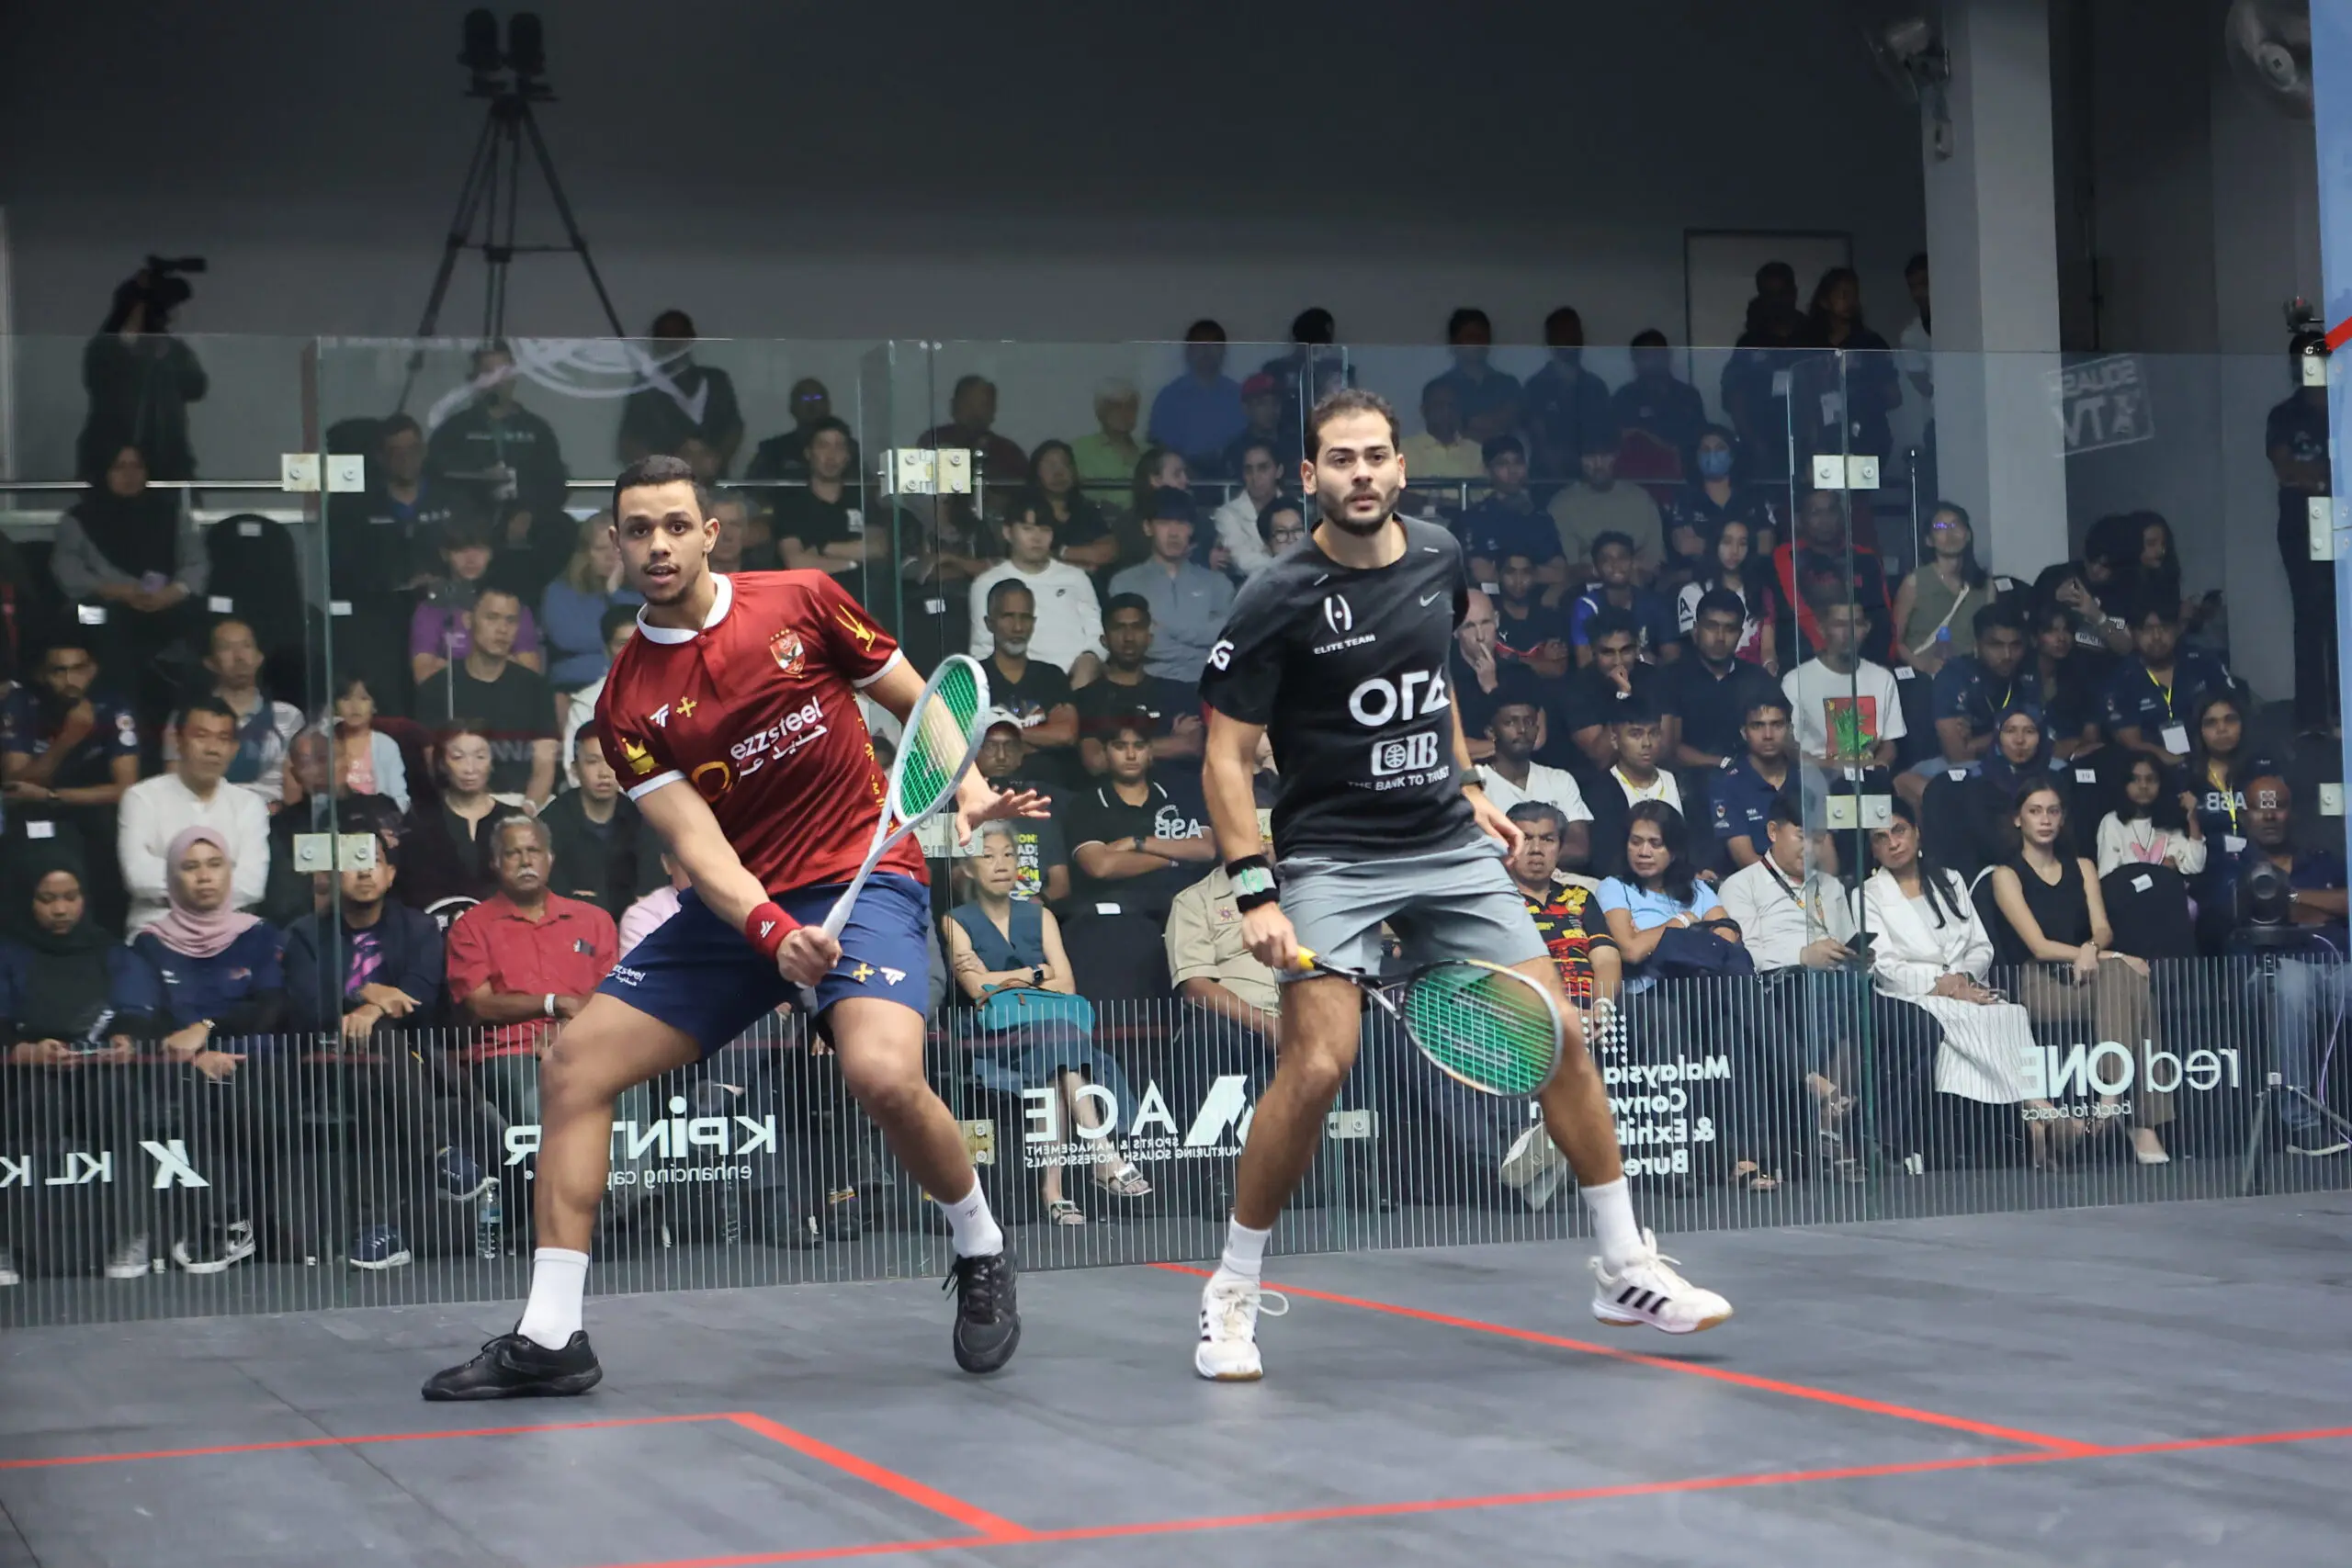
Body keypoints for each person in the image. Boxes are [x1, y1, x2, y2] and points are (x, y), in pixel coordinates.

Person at [423, 455, 1041, 1399]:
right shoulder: (625, 701)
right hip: (737, 909)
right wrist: (768, 928)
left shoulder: (804, 599)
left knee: (881, 1074)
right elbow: (696, 845)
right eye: (639, 529)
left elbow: (923, 703)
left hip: (862, 878)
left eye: (677, 525)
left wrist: (971, 786)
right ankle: (551, 1335)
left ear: (710, 534)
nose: (658, 544)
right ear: (615, 544)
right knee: (574, 1066)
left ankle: (980, 1244)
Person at [1193, 388, 1729, 1382]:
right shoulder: (1276, 596)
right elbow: (1225, 758)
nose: (1361, 474)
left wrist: (1468, 778)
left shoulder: (1439, 554)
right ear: (1309, 476)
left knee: (1559, 1033)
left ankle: (1625, 1267)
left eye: (1376, 456)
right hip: (1332, 856)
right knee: (1318, 1067)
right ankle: (1231, 1287)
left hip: (1444, 841)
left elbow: (1430, 674)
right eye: (1340, 459)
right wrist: (1254, 891)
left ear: (1401, 468)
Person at [280, 832, 487, 1272]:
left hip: (406, 1061)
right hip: (322, 1062)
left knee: (371, 1066)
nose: (362, 871)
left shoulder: (418, 928)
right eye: (352, 861)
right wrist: (363, 995)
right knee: (368, 1057)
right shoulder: (305, 934)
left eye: (372, 860)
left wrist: (371, 1009)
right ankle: (437, 1153)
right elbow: (306, 1004)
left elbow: (422, 995)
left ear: (390, 874)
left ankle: (378, 1230)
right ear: (334, 875)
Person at [944, 826, 1150, 1226]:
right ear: (967, 868)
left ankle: (1054, 1192)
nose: (1001, 865)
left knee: (1056, 1064)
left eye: (1009, 855)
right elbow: (975, 989)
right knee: (1062, 1051)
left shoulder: (1042, 916)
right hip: (997, 1035)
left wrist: (1002, 980)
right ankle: (1102, 1157)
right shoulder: (956, 921)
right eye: (988, 856)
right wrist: (1036, 972)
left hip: (1049, 1034)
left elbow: (1067, 983)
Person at [1860, 801, 2064, 1167]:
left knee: (2010, 1014)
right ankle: (2036, 1106)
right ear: (1873, 849)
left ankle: (2034, 1117)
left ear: (1917, 832)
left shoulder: (1950, 879)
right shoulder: (1868, 894)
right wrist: (1945, 986)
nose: (1893, 842)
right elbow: (1884, 964)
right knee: (1962, 1018)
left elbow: (1981, 946)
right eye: (1881, 837)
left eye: (1899, 831)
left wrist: (1965, 980)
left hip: (1967, 986)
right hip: (1913, 992)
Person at [0, 842, 166, 1282]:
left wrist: (125, 1042)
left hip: (101, 1070)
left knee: (118, 1101)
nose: (60, 909)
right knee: (34, 1104)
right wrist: (25, 1052)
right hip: (24, 1073)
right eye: (47, 899)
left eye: (70, 897)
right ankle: (6, 1244)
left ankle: (131, 1233)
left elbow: (137, 1013)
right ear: (27, 899)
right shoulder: (9, 954)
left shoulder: (110, 951)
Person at [1987, 779, 2172, 1164]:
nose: (2045, 819)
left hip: (2090, 975)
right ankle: (2139, 1121)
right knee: (2128, 979)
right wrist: (2107, 956)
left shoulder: (2083, 866)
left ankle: (2110, 1101)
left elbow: (2102, 929)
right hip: (2040, 980)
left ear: (2062, 818)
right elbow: (2039, 946)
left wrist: (2094, 951)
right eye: (2035, 811)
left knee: (2124, 982)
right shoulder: (2006, 874)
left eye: (2053, 811)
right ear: (2018, 819)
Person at [130, 825, 288, 1272]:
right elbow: (149, 1020)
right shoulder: (149, 943)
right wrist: (197, 1056)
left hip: (252, 1060)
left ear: (229, 873)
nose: (204, 877)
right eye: (191, 867)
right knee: (193, 1092)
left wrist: (207, 1029)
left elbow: (272, 1007)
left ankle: (243, 1223)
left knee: (249, 1093)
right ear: (171, 877)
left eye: (214, 865)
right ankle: (218, 1222)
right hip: (181, 1066)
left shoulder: (259, 934)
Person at [1718, 794, 1866, 1172]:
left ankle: (1865, 1134)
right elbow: (1743, 956)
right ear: (1773, 831)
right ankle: (1827, 1127)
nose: (1811, 846)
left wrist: (1857, 957)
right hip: (1778, 987)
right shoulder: (1742, 885)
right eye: (1802, 835)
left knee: (1903, 1021)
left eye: (1818, 837)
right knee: (1826, 999)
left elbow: (1846, 941)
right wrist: (1801, 955)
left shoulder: (1830, 887)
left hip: (1837, 984)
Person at [444, 816, 620, 1126]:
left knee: (630, 1095)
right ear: (495, 863)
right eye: (513, 853)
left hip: (588, 1043)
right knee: (536, 1105)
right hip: (511, 1054)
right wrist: (553, 1003)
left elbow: (613, 993)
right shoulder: (470, 926)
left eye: (534, 851)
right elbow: (480, 1005)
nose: (526, 861)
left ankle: (619, 1165)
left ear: (549, 858)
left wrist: (570, 1025)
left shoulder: (594, 920)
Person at [2232, 773, 2352, 1154]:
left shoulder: (2322, 860)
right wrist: (2321, 907)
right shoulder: (2232, 864)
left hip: (2336, 967)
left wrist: (2291, 896)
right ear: (2245, 815)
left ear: (2291, 813)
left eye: (2278, 807)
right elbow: (2232, 919)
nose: (2270, 816)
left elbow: (2348, 901)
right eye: (2260, 808)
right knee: (2294, 985)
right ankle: (2303, 1123)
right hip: (2271, 971)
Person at [50, 444, 207, 727]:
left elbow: (197, 563)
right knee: (103, 620)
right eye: (119, 467)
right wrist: (119, 592)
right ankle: (122, 720)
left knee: (206, 615)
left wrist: (173, 592)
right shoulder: (78, 520)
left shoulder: (171, 516)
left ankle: (191, 718)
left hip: (162, 604)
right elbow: (67, 572)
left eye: (137, 466)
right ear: (103, 472)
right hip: (96, 609)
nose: (129, 474)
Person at [2, 638, 142, 928]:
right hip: (34, 810)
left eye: (79, 669)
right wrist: (68, 739)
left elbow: (126, 788)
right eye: (59, 671)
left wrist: (52, 795)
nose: (70, 680)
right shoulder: (22, 702)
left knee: (107, 825)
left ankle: (105, 931)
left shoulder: (112, 704)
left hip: (87, 806)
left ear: (93, 669)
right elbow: (14, 785)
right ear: (42, 674)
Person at [425, 343, 572, 598]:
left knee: (563, 528)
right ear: (473, 379)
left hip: (526, 527)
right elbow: (436, 480)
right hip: (470, 527)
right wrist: (479, 484)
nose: (495, 381)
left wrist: (529, 512)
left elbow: (555, 484)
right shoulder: (453, 430)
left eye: (502, 372)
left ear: (514, 377)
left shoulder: (537, 429)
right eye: (487, 372)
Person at [119, 699, 270, 935]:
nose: (212, 749)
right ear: (177, 741)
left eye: (223, 739)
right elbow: (137, 876)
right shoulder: (142, 798)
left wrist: (178, 881)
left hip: (231, 935)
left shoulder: (249, 805)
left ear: (234, 749)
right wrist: (218, 881)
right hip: (156, 931)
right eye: (201, 736)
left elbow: (252, 884)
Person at [412, 588, 558, 807]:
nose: (502, 629)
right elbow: (433, 768)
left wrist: (525, 812)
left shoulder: (536, 687)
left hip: (522, 803)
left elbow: (544, 766)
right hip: (458, 805)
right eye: (492, 618)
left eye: (511, 620)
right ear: (469, 620)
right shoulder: (437, 687)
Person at [1065, 715, 1215, 921]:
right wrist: (1175, 858)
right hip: (1119, 914)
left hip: (1190, 908)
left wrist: (1137, 843)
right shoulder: (1086, 805)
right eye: (1120, 747)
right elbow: (1100, 866)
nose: (1131, 755)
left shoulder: (1181, 794)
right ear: (1105, 753)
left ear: (1150, 752)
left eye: (1139, 746)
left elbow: (1206, 849)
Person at [76, 265, 209, 483]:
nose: (169, 318)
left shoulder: (172, 351)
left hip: (168, 460)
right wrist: (129, 335)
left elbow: (197, 387)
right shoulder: (106, 350)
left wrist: (165, 354)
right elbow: (97, 378)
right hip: (113, 465)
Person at [162, 617, 304, 807]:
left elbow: (292, 789)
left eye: (246, 646)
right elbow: (175, 787)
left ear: (259, 657)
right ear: (210, 662)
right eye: (226, 648)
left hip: (272, 817)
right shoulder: (187, 718)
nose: (239, 657)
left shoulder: (289, 716)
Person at [2268, 333, 2335, 733]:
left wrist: (2318, 480)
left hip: (2342, 519)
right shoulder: (2284, 415)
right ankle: (2312, 718)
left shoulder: (2344, 406)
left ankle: (2343, 711)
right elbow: (2287, 470)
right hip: (2301, 525)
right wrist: (2327, 480)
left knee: (2342, 616)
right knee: (2310, 616)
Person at [1922, 702, 2072, 881]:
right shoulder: (1978, 784)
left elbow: (2066, 843)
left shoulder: (2055, 783)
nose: (2019, 740)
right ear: (1998, 735)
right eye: (2010, 731)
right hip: (1992, 877)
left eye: (2029, 731)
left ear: (2042, 736)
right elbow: (1983, 846)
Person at [1107, 491, 1236, 682]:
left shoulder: (1217, 583)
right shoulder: (1125, 583)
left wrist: (1167, 630)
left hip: (1206, 683)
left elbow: (1228, 637)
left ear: (1191, 529)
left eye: (1182, 523)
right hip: (1149, 684)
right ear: (1148, 528)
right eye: (1164, 523)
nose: (1174, 533)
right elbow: (1134, 643)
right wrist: (1200, 649)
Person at [394, 723, 523, 913]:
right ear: (442, 763)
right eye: (458, 757)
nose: (470, 768)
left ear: (492, 761)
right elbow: (409, 889)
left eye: (480, 757)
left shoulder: (514, 820)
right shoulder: (420, 819)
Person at [967, 507, 1106, 680]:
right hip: (1018, 683)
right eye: (1027, 529)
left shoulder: (1076, 578)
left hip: (1078, 681)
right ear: (1008, 532)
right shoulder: (987, 583)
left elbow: (1098, 637)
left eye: (1045, 530)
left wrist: (1088, 663)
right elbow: (982, 649)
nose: (1037, 538)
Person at [1073, 595, 1204, 776]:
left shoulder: (1179, 692)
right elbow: (1096, 762)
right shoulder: (1087, 698)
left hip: (1176, 789)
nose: (1128, 637)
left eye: (1137, 627)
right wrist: (1172, 742)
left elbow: (1192, 745)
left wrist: (1117, 751)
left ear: (1149, 638)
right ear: (1104, 640)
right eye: (1119, 628)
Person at [410, 517, 547, 688]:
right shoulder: (431, 608)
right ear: (445, 554)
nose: (471, 559)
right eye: (460, 550)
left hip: (506, 698)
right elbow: (424, 677)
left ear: (491, 553)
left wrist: (450, 666)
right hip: (452, 700)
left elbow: (530, 673)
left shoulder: (513, 605)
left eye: (480, 549)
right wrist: (504, 662)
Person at [971, 581, 1082, 783]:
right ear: (989, 623)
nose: (1018, 627)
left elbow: (1065, 735)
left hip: (1047, 789)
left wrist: (998, 735)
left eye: (1025, 618)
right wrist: (1040, 736)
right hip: (987, 789)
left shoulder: (1051, 676)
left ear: (1033, 622)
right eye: (1008, 617)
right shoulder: (972, 677)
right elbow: (962, 738)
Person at [1782, 590, 1905, 774]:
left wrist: (1878, 767)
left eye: (1856, 624)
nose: (1848, 633)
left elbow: (1890, 743)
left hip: (1869, 777)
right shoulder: (1795, 681)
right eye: (1839, 625)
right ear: (1821, 628)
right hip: (1818, 778)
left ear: (1867, 628)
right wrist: (1834, 768)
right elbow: (1791, 749)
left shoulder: (1883, 678)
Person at [2102, 599, 2234, 766]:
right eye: (2148, 630)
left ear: (2177, 630)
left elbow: (2234, 711)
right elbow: (2132, 743)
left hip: (2213, 758)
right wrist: (2176, 762)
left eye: (2164, 628)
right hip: (2154, 768)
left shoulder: (2203, 661)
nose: (2157, 637)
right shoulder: (2122, 679)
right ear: (2132, 633)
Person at [1773, 488, 1895, 666]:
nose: (1825, 520)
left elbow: (1882, 615)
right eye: (1815, 513)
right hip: (1808, 660)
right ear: (1800, 519)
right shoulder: (1788, 556)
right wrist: (1830, 656)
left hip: (1866, 660)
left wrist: (1883, 661)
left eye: (1831, 511)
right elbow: (1799, 610)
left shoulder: (1865, 558)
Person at [1665, 429, 1781, 615]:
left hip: (1751, 584)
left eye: (1720, 448)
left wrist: (1706, 543)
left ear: (1733, 455)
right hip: (1697, 583)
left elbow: (1765, 546)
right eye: (1705, 449)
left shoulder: (1754, 497)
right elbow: (1685, 546)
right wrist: (1741, 545)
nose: (1712, 455)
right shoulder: (1685, 499)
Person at [616, 310, 743, 475]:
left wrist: (716, 461)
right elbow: (628, 442)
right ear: (654, 343)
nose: (672, 342)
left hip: (714, 482)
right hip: (664, 484)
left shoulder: (716, 380)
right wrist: (660, 470)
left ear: (691, 340)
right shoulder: (645, 387)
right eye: (665, 336)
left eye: (680, 335)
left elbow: (734, 429)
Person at [1668, 589, 1781, 773]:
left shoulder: (1758, 680)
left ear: (1740, 634)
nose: (1720, 637)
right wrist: (1723, 763)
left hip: (1752, 781)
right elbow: (1670, 748)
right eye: (1711, 627)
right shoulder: (1671, 679)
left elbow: (1777, 738)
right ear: (1696, 629)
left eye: (1730, 629)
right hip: (1687, 783)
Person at [1560, 612, 1682, 777]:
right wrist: (1623, 696)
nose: (1618, 661)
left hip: (1656, 775)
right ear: (1593, 652)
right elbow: (1601, 759)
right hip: (1601, 781)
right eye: (1608, 652)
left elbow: (1665, 748)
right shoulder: (1578, 688)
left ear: (1637, 648)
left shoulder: (1656, 679)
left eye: (1626, 651)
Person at [539, 731, 646, 915]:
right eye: (592, 762)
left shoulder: (641, 819)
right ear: (575, 769)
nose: (604, 773)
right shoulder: (551, 822)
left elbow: (651, 892)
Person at [1481, 696, 1592, 872]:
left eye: (1529, 722)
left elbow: (1579, 849)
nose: (1522, 729)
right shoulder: (1475, 785)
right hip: (1498, 881)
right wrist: (1545, 852)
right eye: (1510, 722)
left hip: (1560, 881)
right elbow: (1478, 853)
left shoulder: (1560, 779)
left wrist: (1520, 856)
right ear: (1491, 732)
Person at [968, 716, 1069, 903]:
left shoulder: (1042, 805)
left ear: (1021, 754)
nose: (1001, 755)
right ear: (974, 751)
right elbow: (956, 879)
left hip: (1036, 910)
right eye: (990, 746)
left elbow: (1060, 881)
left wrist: (1039, 902)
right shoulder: (957, 806)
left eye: (1009, 746)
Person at [539, 515, 643, 692]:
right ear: (585, 553)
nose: (610, 556)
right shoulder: (559, 591)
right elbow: (567, 639)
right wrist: (620, 641)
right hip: (576, 683)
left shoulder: (644, 590)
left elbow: (648, 634)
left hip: (633, 683)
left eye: (617, 548)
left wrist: (614, 592)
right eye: (601, 549)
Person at [1546, 433, 1665, 581]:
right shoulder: (1561, 505)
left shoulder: (1642, 499)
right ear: (1579, 459)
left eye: (1605, 456)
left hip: (1638, 585)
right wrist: (1608, 571)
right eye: (1590, 456)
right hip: (1584, 587)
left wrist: (1632, 574)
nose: (1598, 464)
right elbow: (1566, 570)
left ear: (1616, 456)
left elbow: (1655, 562)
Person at [1891, 502, 1991, 675]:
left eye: (1955, 525)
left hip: (1971, 676)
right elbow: (1896, 642)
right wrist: (1924, 666)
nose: (1949, 533)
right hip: (1927, 677)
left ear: (1967, 535)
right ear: (1929, 540)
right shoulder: (1914, 582)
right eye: (1940, 527)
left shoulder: (1985, 586)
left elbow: (1990, 638)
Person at [1457, 435, 1563, 593]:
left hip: (1536, 602)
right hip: (1489, 602)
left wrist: (1504, 572)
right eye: (1502, 464)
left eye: (1518, 462)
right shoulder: (1472, 519)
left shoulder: (1541, 518)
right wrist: (1534, 572)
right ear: (1487, 470)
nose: (1513, 471)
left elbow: (1559, 572)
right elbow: (1480, 573)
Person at [1673, 514, 1777, 671]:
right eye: (1727, 542)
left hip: (1752, 678)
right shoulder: (1693, 592)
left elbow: (1768, 650)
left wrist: (1770, 668)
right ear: (1715, 544)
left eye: (1742, 544)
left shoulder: (1761, 593)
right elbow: (1699, 648)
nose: (1734, 551)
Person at [771, 419, 871, 580]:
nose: (831, 456)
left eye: (839, 447)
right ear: (808, 453)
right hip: (811, 594)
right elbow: (797, 563)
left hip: (860, 594)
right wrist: (852, 563)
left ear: (847, 456)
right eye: (823, 446)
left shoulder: (861, 499)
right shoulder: (791, 505)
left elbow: (878, 548)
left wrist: (822, 548)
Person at [1523, 306, 1612, 484]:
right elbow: (1540, 443)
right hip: (1548, 483)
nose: (1570, 338)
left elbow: (1606, 441)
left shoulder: (1596, 386)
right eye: (1562, 332)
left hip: (1592, 484)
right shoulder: (1536, 386)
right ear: (1550, 340)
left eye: (1574, 331)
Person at [1710, 694, 1796, 872]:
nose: (1768, 735)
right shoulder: (1727, 784)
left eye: (1777, 725)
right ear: (1744, 733)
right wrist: (1793, 881)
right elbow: (1746, 859)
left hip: (1808, 880)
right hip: (1753, 882)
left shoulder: (1807, 777)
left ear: (1789, 729)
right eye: (1758, 726)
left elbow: (1826, 854)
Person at [1567, 533, 1681, 666]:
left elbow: (1672, 659)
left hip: (1649, 676)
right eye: (1606, 559)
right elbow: (1585, 664)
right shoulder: (1587, 606)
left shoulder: (1655, 603)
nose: (1615, 564)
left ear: (1633, 563)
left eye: (1622, 557)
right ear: (1596, 569)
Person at [1149, 321, 1247, 472]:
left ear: (1223, 351)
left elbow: (1248, 443)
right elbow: (1160, 447)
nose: (1206, 350)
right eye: (1200, 344)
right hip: (1181, 478)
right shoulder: (1169, 397)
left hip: (1232, 478)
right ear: (1188, 350)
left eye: (1213, 344)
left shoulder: (1238, 395)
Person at [2097, 753, 2206, 880]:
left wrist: (2193, 819)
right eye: (2135, 779)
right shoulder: (2112, 822)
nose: (2143, 786)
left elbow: (2196, 865)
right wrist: (2157, 872)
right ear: (2124, 784)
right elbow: (2108, 877)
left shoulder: (2170, 820)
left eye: (2151, 779)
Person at [1610, 331, 1706, 470]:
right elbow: (1615, 444)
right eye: (1645, 356)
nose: (1652, 361)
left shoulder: (1688, 396)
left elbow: (1702, 442)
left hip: (1684, 475)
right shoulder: (1624, 397)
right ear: (1635, 361)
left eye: (1657, 354)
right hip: (1636, 477)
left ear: (1667, 356)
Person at [1021, 439, 1116, 572]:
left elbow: (1106, 552)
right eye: (1050, 465)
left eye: (1065, 464)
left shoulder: (1086, 510)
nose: (1058, 473)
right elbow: (1024, 557)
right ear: (1036, 472)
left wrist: (1060, 553)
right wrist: (1080, 560)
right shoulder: (1024, 512)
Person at [1432, 307, 1525, 446]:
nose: (1477, 342)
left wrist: (1468, 423)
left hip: (1501, 457)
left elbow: (1511, 421)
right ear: (1454, 342)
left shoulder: (1508, 384)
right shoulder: (1440, 388)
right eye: (1470, 337)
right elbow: (1444, 429)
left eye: (1482, 336)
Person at [920, 375, 1028, 488]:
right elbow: (922, 491)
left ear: (993, 410)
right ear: (953, 406)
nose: (975, 413)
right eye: (968, 404)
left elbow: (1021, 493)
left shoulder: (1009, 453)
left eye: (982, 405)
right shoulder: (934, 441)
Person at [2030, 602, 2105, 761]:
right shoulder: (2020, 675)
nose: (2061, 638)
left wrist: (2068, 749)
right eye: (2051, 631)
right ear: (2034, 638)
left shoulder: (2083, 675)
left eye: (2067, 630)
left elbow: (2091, 738)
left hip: (2071, 760)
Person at [327, 673, 411, 813]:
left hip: (377, 820)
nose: (354, 706)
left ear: (374, 706)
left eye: (364, 699)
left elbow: (399, 796)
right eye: (346, 699)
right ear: (335, 706)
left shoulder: (386, 745)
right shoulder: (324, 742)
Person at [1209, 440, 1287, 579]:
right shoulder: (1227, 514)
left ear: (1279, 471)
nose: (1255, 477)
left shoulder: (1296, 508)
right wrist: (1289, 564)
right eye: (1249, 470)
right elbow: (1243, 561)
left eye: (1263, 468)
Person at [1490, 550, 1572, 679]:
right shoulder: (1486, 614)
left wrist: (1508, 661)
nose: (1518, 580)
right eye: (1510, 572)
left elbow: (1558, 669)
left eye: (1526, 572)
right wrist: (1538, 660)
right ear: (1498, 574)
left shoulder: (1550, 617)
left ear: (1535, 576)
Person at [744, 378, 840, 484]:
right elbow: (753, 488)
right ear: (792, 408)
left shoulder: (845, 449)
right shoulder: (772, 451)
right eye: (804, 398)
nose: (811, 404)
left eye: (817, 397)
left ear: (828, 405)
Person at [1399, 377, 1486, 484]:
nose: (1446, 412)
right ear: (1424, 410)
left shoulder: (1477, 452)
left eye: (1451, 406)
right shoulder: (1404, 449)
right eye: (1439, 406)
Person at [1069, 379, 1147, 500]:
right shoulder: (1078, 450)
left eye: (1130, 407)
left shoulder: (1149, 452)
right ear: (1100, 412)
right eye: (1116, 407)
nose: (1124, 413)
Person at [1221, 373, 1301, 482]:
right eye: (1262, 403)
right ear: (1246, 408)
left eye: (1275, 403)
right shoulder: (1236, 451)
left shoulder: (1295, 444)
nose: (1271, 410)